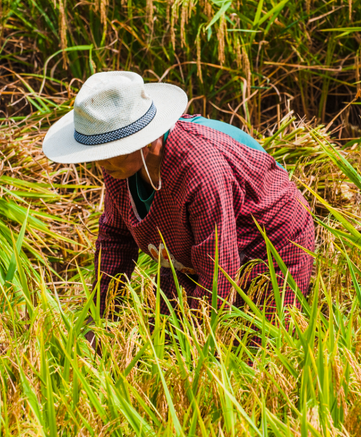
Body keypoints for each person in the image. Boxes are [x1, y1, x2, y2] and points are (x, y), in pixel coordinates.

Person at [42, 71, 315, 325]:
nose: (100, 164)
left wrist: (198, 342)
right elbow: (116, 239)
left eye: (109, 152)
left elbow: (220, 270)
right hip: (190, 249)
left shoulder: (200, 168)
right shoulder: (119, 166)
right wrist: (99, 320)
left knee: (250, 346)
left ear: (145, 141)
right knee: (167, 335)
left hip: (268, 245)